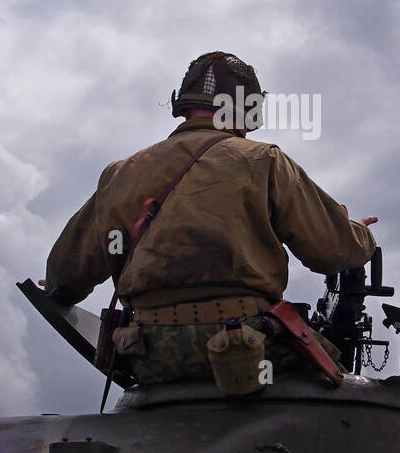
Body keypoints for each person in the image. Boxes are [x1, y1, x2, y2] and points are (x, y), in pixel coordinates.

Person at [44, 51, 377, 387]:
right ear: (250, 109)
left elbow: (67, 273)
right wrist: (359, 235)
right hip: (245, 350)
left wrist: (58, 284)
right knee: (344, 382)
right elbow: (332, 251)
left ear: (183, 104)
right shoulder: (263, 161)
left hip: (150, 356)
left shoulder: (120, 174)